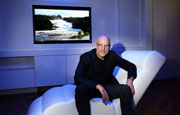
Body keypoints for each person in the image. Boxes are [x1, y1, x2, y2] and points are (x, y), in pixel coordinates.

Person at [74, 35, 137, 115]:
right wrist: (97, 86)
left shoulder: (112, 56)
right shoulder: (86, 57)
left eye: (106, 46)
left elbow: (131, 66)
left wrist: (130, 80)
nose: (103, 49)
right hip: (90, 89)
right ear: (96, 45)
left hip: (107, 88)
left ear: (109, 47)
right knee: (80, 89)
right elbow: (77, 78)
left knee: (126, 89)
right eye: (100, 45)